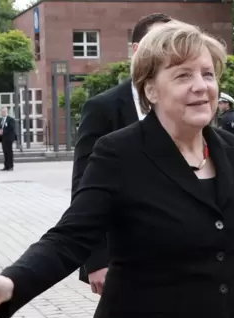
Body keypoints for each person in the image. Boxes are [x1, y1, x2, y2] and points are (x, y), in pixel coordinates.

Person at [0, 21, 234, 318]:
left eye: (208, 74)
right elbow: (70, 237)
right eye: (183, 75)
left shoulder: (230, 149)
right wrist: (11, 284)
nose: (201, 86)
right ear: (150, 89)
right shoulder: (120, 152)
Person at [72, 12, 172, 293]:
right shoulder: (103, 108)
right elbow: (84, 186)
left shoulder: (186, 106)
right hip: (125, 256)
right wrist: (95, 259)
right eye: (161, 44)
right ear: (137, 51)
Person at [0, 107, 15, 171]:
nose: (3, 113)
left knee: (9, 152)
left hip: (9, 138)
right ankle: (6, 166)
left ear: (7, 112)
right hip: (3, 138)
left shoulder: (11, 119)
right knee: (5, 152)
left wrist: (3, 131)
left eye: (4, 111)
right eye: (2, 111)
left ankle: (11, 166)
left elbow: (11, 128)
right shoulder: (1, 119)